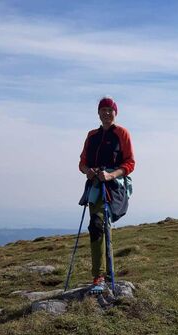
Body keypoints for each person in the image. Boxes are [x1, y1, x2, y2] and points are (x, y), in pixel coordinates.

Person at [78, 96, 135, 290]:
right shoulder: (92, 135)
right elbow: (82, 163)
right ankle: (103, 274)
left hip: (115, 186)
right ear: (98, 113)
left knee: (100, 224)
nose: (107, 113)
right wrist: (88, 171)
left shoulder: (122, 133)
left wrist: (111, 175)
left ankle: (102, 275)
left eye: (110, 110)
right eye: (103, 110)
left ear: (115, 113)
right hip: (95, 186)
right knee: (99, 225)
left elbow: (130, 163)